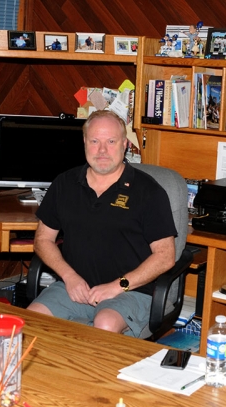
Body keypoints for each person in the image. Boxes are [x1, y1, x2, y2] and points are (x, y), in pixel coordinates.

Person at [26, 110, 177, 338]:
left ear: (124, 145)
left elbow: (165, 256)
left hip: (130, 290)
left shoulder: (149, 191)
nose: (102, 150)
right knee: (30, 320)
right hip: (75, 287)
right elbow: (43, 240)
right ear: (85, 142)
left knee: (104, 324)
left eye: (111, 141)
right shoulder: (64, 183)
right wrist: (69, 277)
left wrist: (117, 285)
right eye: (95, 141)